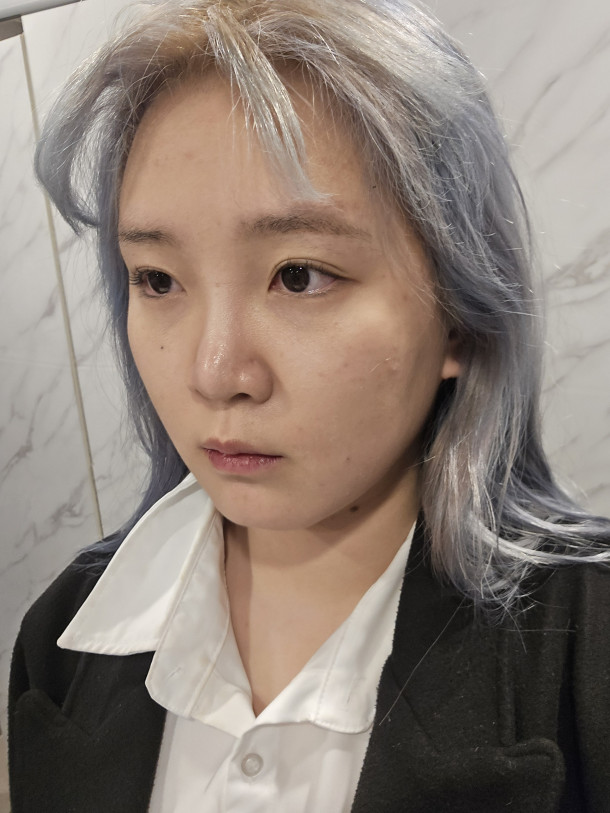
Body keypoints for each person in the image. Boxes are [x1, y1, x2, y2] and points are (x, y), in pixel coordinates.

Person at [8, 0, 610, 811]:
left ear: (461, 316)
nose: (216, 373)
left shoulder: (587, 654)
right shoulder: (61, 640)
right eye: (157, 279)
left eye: (299, 275)